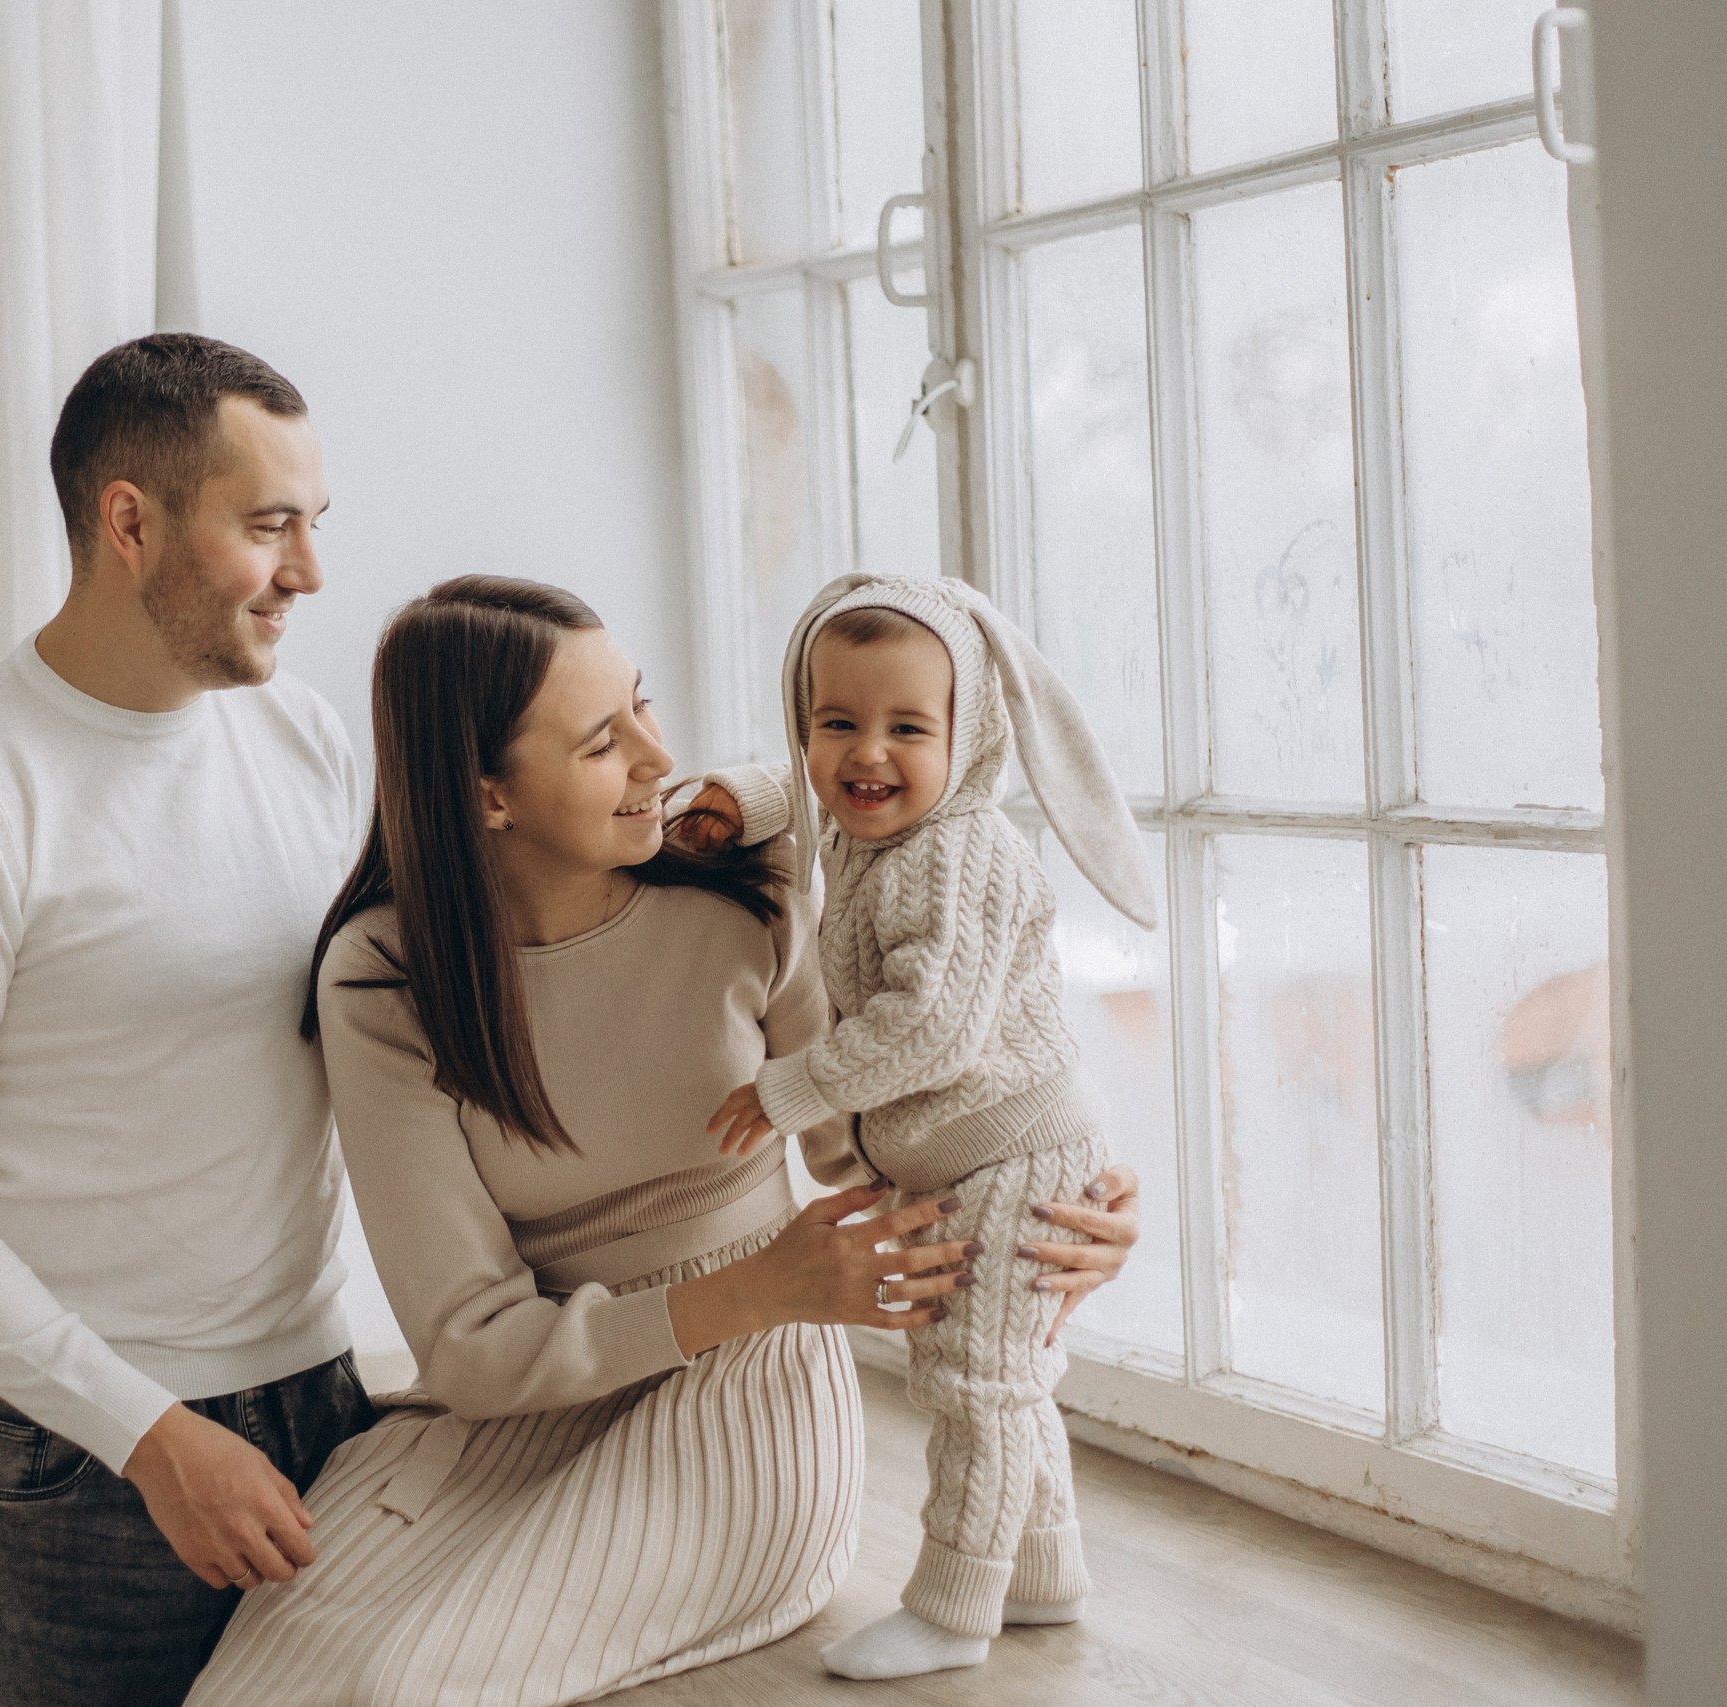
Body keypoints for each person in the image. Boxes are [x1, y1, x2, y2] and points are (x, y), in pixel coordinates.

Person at [188, 577, 1143, 1705]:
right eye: (604, 740)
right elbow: (472, 1348)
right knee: (267, 1677)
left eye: (641, 705)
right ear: (486, 795)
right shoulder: (387, 975)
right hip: (524, 1397)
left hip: (750, 1390)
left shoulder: (742, 896)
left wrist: (1049, 1210)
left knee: (407, 1683)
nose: (659, 756)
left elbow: (872, 1146)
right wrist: (746, 1287)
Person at [0, 334, 371, 1707]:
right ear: (131, 520)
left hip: (329, 1404)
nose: (309, 570)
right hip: (70, 1464)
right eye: (269, 525)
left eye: (314, 524)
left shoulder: (306, 739)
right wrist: (151, 1437)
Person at [693, 572, 1158, 1681]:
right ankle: (1043, 1574)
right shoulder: (870, 832)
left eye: (908, 727)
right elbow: (801, 800)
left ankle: (954, 1609)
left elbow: (932, 1030)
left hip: (1008, 1151)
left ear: (971, 737)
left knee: (973, 1384)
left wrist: (786, 1090)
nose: (868, 754)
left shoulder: (960, 854)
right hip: (963, 1149)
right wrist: (734, 802)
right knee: (1002, 1368)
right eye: (836, 722)